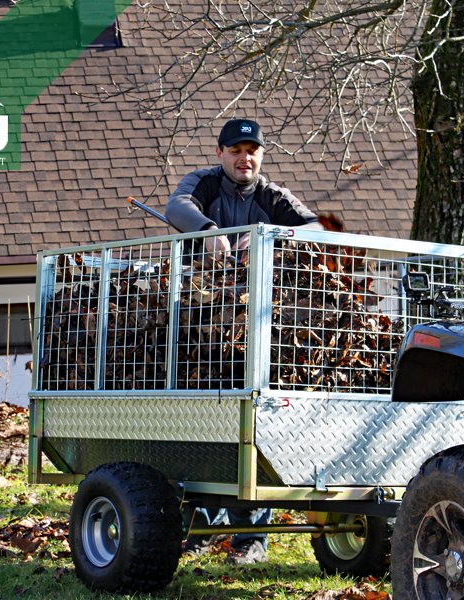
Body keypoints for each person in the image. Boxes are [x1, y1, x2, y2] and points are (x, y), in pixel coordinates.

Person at [166, 118, 322, 565]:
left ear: (261, 156)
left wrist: (286, 241)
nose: (244, 158)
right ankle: (199, 528)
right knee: (199, 427)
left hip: (258, 327)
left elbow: (311, 226)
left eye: (252, 150)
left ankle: (250, 539)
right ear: (221, 153)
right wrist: (208, 233)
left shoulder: (274, 196)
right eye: (236, 150)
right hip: (202, 320)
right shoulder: (204, 184)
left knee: (253, 433)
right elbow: (177, 207)